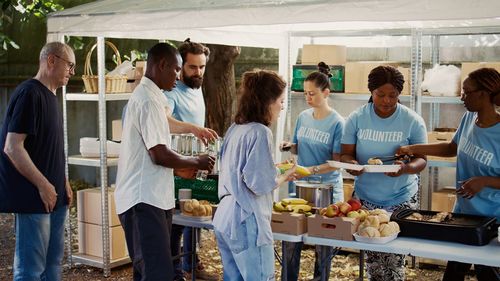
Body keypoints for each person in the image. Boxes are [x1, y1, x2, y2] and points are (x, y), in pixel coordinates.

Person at [114, 42, 215, 281]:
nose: (178, 76)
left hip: (149, 199)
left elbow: (158, 145)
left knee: (148, 272)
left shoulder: (152, 97)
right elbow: (158, 153)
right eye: (176, 70)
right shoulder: (148, 100)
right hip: (143, 200)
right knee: (157, 274)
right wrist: (195, 161)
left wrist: (182, 164)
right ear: (161, 65)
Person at [397, 67, 500, 281]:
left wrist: (485, 181)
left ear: (484, 94)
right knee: (454, 272)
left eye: (466, 91)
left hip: (492, 220)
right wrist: (414, 148)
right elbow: (451, 148)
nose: (461, 97)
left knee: (486, 271)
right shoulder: (468, 119)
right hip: (463, 215)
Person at [340, 65, 427, 281]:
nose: (387, 101)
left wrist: (406, 168)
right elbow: (346, 154)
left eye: (393, 95)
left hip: (401, 198)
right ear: (371, 91)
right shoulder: (357, 118)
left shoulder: (412, 120)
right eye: (381, 95)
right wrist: (352, 165)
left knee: (393, 260)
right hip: (366, 199)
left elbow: (422, 160)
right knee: (373, 260)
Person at [0, 42, 74, 280]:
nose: (72, 72)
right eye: (70, 65)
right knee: (30, 270)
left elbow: (50, 147)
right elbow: (12, 147)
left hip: (55, 197)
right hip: (34, 198)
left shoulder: (51, 96)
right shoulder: (29, 93)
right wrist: (43, 185)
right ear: (51, 60)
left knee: (52, 266)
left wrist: (63, 182)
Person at [212, 69, 295, 280]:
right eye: (281, 100)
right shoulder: (260, 132)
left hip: (225, 217)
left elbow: (240, 172)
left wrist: (276, 169)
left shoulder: (235, 128)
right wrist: (285, 176)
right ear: (268, 101)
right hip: (245, 221)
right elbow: (259, 184)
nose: (282, 106)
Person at [280, 62, 344, 281]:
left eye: (312, 93)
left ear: (326, 92)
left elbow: (336, 162)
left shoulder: (338, 123)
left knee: (323, 245)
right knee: (291, 238)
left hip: (326, 188)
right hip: (300, 186)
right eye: (305, 93)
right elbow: (297, 147)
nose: (308, 98)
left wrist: (310, 169)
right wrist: (288, 146)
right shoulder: (302, 117)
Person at [165, 39, 217, 281]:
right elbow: (164, 121)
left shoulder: (197, 90)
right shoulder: (171, 91)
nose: (198, 72)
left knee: (193, 219)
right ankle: (176, 272)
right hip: (175, 168)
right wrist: (194, 128)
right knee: (176, 222)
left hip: (195, 166)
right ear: (181, 65)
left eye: (202, 67)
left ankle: (190, 265)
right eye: (193, 67)